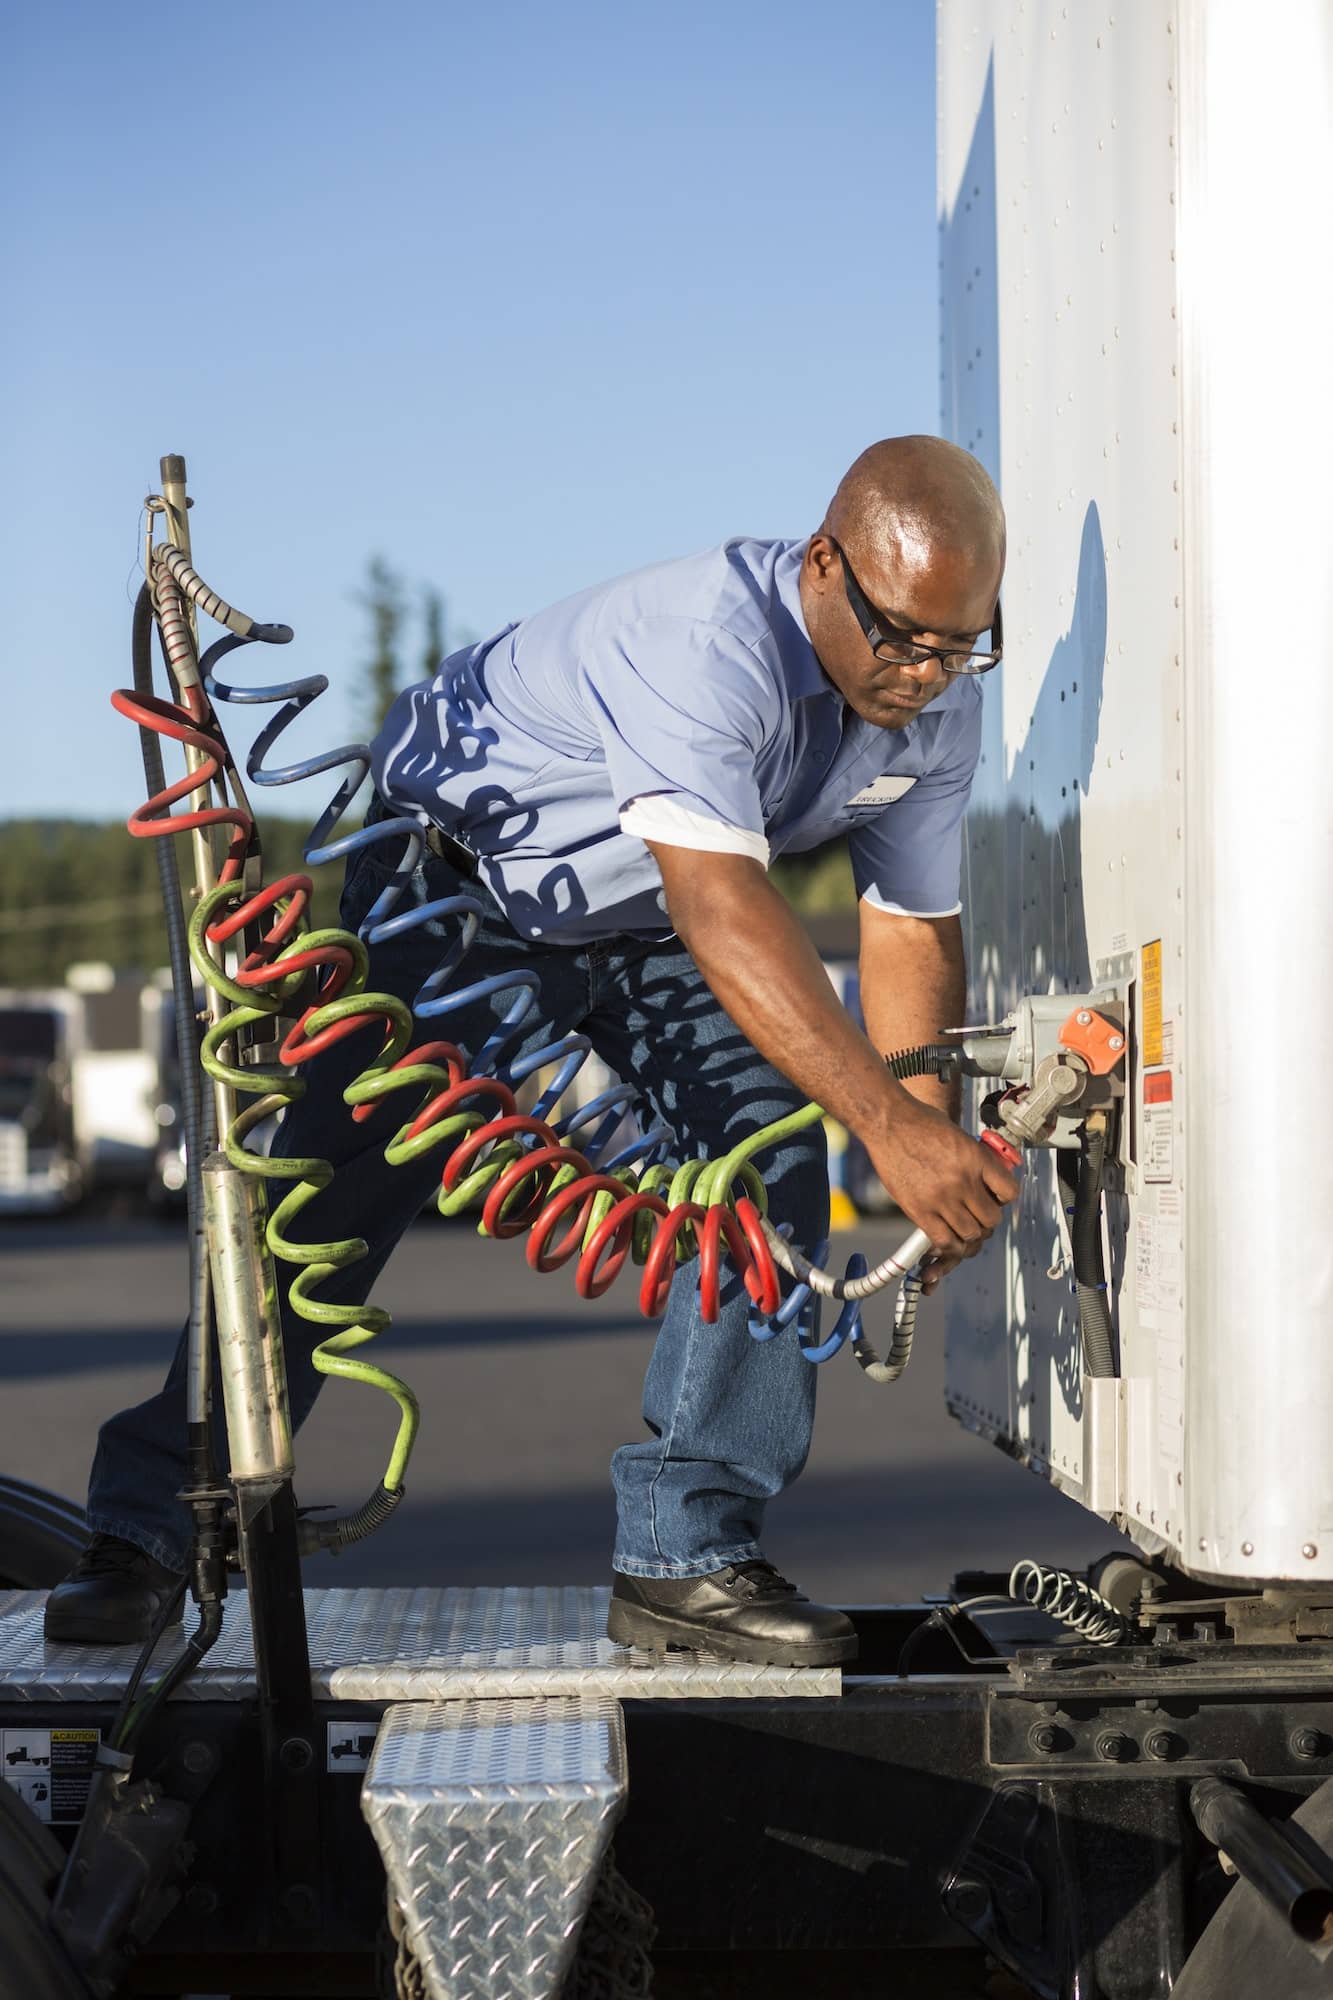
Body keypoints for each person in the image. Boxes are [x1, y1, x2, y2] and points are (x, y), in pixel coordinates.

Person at [46, 435, 1017, 1667]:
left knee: (765, 1168)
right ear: (824, 563)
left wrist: (923, 1126)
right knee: (322, 1204)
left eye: (960, 642)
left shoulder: (939, 703)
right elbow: (724, 905)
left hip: (636, 914)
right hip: (455, 880)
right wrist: (884, 1125)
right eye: (903, 638)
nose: (928, 674)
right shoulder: (705, 641)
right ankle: (146, 1530)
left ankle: (685, 1555)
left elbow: (909, 927)